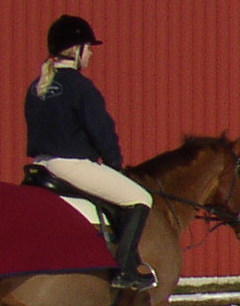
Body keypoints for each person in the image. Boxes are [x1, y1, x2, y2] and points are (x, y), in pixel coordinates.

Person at [24, 14, 155, 291]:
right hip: (72, 165)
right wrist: (114, 164)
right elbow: (101, 130)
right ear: (75, 49)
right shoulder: (82, 87)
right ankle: (127, 270)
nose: (91, 53)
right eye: (89, 47)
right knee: (140, 198)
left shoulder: (36, 87)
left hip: (41, 165)